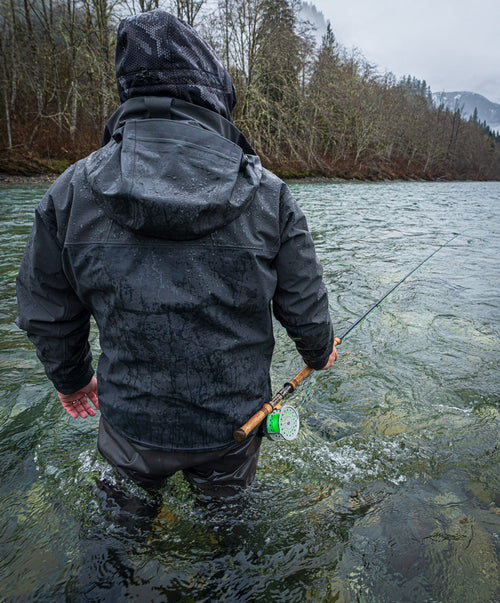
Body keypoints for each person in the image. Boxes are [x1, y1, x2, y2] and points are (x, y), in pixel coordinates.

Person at [16, 10, 336, 498]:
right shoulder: (268, 194)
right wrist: (320, 350)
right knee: (232, 546)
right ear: (211, 90)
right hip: (233, 425)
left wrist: (71, 380)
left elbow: (47, 309)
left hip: (129, 425)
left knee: (118, 534)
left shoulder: (70, 191)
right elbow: (304, 300)